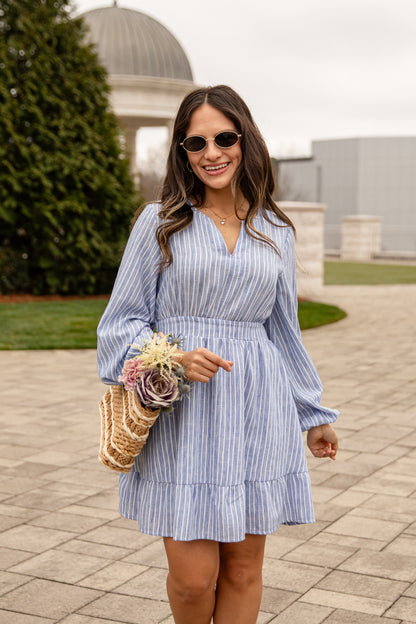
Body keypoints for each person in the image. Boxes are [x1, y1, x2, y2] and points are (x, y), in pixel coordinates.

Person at [97, 84, 338, 624]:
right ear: (182, 153)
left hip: (258, 413)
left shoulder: (275, 230)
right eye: (195, 142)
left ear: (245, 140)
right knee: (191, 582)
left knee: (244, 572)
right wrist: (172, 360)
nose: (212, 153)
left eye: (224, 137)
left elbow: (285, 331)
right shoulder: (158, 223)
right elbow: (118, 326)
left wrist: (313, 413)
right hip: (185, 420)